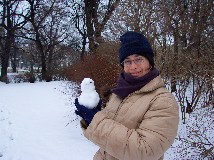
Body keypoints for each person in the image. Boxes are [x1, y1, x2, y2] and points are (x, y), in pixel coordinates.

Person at [74, 31, 179, 160]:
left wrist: (96, 121)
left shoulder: (163, 101)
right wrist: (92, 116)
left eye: (139, 59)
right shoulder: (119, 93)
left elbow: (145, 151)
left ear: (150, 62)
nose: (133, 66)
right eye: (127, 61)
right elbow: (108, 137)